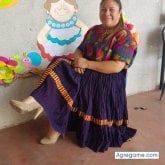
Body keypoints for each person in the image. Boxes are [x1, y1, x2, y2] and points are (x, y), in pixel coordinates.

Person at [10, 0, 138, 152]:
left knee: (63, 72)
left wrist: (87, 64)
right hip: (86, 69)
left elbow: (116, 67)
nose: (106, 13)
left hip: (107, 77)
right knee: (59, 63)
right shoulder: (95, 30)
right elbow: (80, 49)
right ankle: (40, 110)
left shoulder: (125, 37)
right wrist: (78, 61)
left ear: (120, 11)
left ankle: (41, 111)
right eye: (103, 9)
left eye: (111, 9)